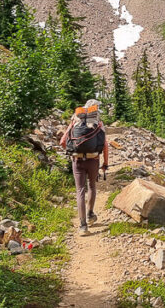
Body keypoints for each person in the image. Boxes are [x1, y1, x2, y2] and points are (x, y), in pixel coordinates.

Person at [60, 99, 108, 233]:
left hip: (77, 160)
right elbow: (105, 145)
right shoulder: (98, 123)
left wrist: (72, 152)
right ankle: (90, 214)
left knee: (80, 190)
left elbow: (63, 141)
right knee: (92, 186)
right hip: (93, 159)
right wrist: (105, 163)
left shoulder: (75, 120)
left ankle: (82, 225)